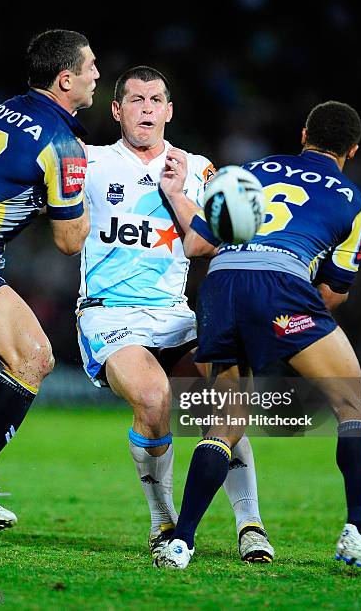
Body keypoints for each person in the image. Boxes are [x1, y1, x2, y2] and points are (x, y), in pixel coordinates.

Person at [156, 101, 361, 577]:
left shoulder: (252, 170)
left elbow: (201, 243)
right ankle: (360, 533)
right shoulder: (355, 202)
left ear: (303, 134)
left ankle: (180, 543)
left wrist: (176, 194)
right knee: (355, 406)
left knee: (225, 422)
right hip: (281, 287)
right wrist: (284, 317)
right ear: (352, 150)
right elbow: (332, 292)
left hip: (222, 284)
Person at [76, 65, 274, 562]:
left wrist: (176, 192)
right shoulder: (91, 162)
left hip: (174, 313)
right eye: (136, 99)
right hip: (110, 314)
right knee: (152, 398)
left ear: (169, 110)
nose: (147, 107)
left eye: (156, 99)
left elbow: (202, 243)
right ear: (117, 110)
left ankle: (250, 524)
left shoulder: (197, 166)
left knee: (225, 401)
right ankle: (163, 519)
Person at [0, 29, 98, 529]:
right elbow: (70, 242)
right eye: (90, 66)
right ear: (66, 78)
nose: (98, 74)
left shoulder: (0, 109)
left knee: (34, 355)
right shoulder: (64, 143)